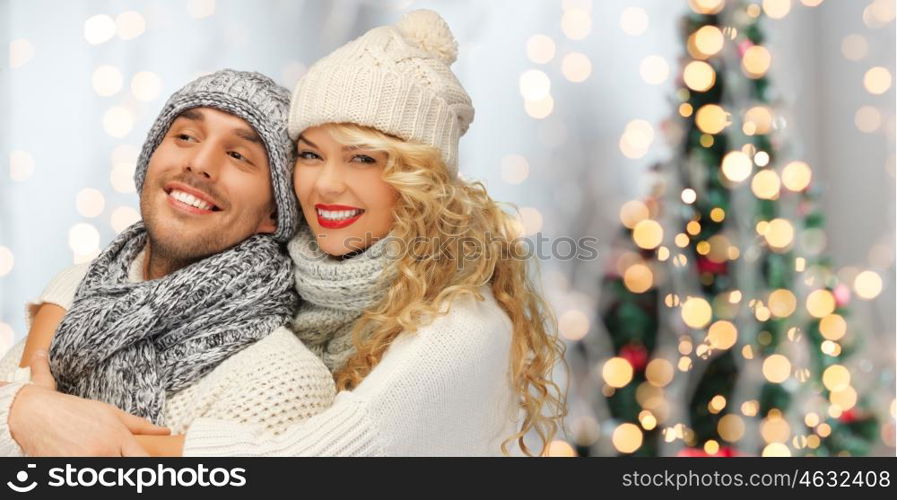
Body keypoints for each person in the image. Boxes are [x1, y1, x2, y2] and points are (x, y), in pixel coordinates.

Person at [2, 9, 566, 456]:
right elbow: (116, 280)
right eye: (311, 154)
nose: (325, 185)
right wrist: (32, 388)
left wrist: (40, 416)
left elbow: (305, 460)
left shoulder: (462, 330)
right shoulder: (281, 276)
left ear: (420, 179)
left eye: (364, 160)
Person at [0, 70, 335, 456]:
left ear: (274, 213)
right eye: (186, 137)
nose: (199, 163)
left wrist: (26, 412)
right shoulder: (78, 291)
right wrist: (23, 408)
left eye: (239, 155)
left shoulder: (283, 381)